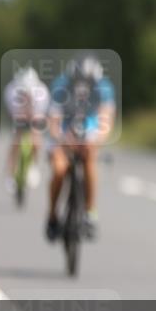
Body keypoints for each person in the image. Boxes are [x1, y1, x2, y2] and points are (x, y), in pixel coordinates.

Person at [45, 56, 116, 241]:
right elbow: (53, 120)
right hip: (63, 131)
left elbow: (106, 119)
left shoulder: (103, 87)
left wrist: (97, 139)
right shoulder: (61, 85)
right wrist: (62, 138)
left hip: (88, 130)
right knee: (59, 170)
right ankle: (52, 216)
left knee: (90, 157)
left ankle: (90, 213)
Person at [3, 67, 50, 197]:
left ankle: (33, 165)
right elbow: (11, 112)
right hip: (18, 115)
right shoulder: (11, 90)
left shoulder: (42, 92)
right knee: (16, 142)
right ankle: (10, 173)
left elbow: (41, 114)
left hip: (35, 115)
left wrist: (35, 119)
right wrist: (19, 116)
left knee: (36, 139)